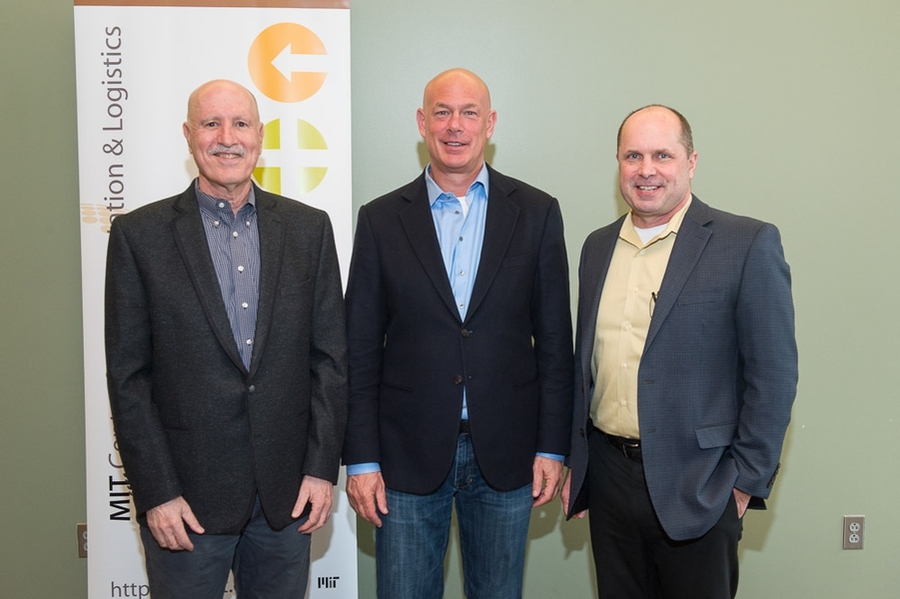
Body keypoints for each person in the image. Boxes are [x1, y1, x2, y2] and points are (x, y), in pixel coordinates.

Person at [104, 79, 348, 599]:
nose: (226, 137)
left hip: (287, 500)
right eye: (211, 124)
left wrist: (321, 469)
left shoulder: (310, 230)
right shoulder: (138, 236)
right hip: (185, 503)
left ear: (259, 136)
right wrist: (157, 493)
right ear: (189, 135)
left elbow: (330, 360)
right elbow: (128, 379)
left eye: (240, 123)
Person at [343, 68, 573, 599]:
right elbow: (358, 350)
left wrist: (552, 447)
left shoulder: (537, 213)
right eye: (442, 112)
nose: (455, 125)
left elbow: (556, 346)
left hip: (508, 453)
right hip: (403, 455)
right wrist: (361, 458)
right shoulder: (380, 220)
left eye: (469, 113)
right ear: (422, 123)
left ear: (489, 124)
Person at [562, 105, 798, 598]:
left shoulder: (746, 243)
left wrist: (743, 483)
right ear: (619, 164)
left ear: (691, 162)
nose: (646, 169)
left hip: (700, 485)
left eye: (662, 155)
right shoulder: (596, 247)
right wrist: (578, 465)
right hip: (609, 479)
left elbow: (773, 376)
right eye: (633, 156)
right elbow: (584, 366)